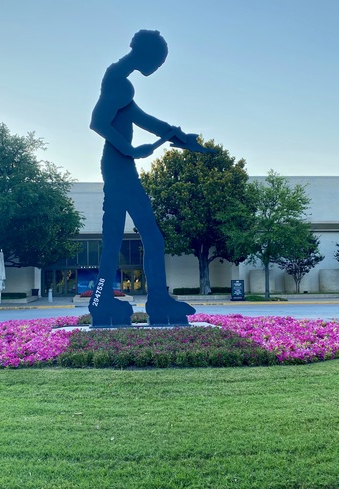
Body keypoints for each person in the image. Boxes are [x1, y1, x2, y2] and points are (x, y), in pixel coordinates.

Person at [88, 29, 210, 327]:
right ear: (145, 53)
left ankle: (109, 300)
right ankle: (148, 300)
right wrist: (130, 149)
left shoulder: (119, 79)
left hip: (119, 167)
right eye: (157, 60)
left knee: (120, 237)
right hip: (119, 168)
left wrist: (179, 137)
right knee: (147, 237)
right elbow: (97, 122)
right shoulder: (118, 81)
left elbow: (144, 120)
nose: (157, 67)